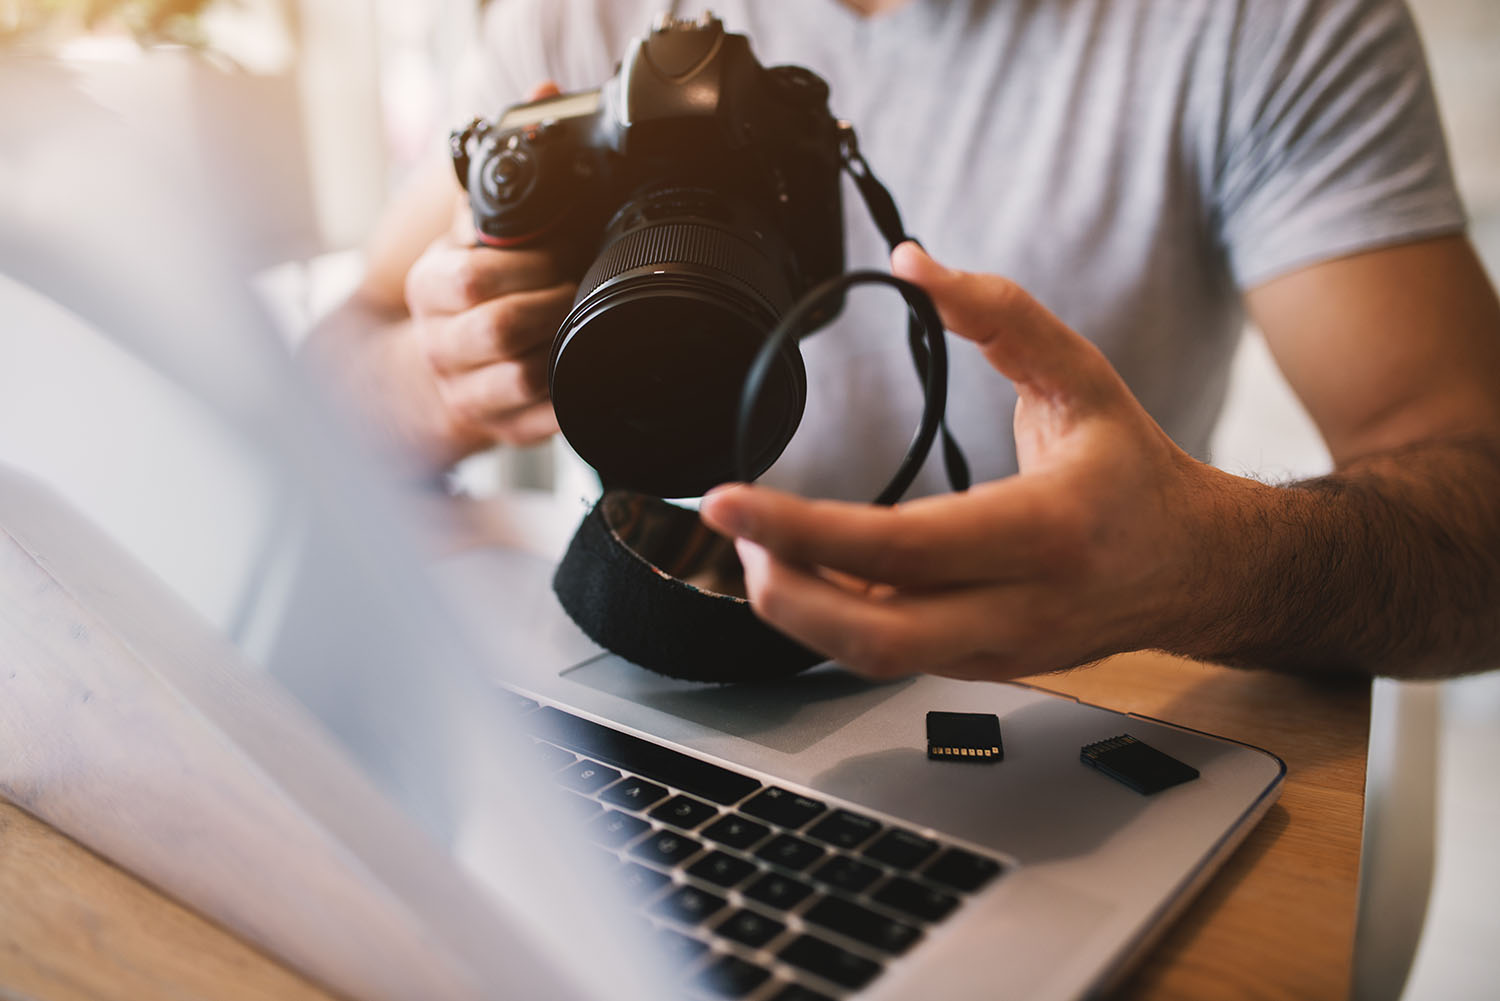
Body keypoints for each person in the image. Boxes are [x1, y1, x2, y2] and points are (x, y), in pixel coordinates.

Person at [306, 0, 1500, 681]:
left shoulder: (1266, 23)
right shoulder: (579, 18)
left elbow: (1480, 508)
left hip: (1075, 702)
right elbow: (326, 375)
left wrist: (1205, 562)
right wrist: (440, 375)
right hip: (656, 661)